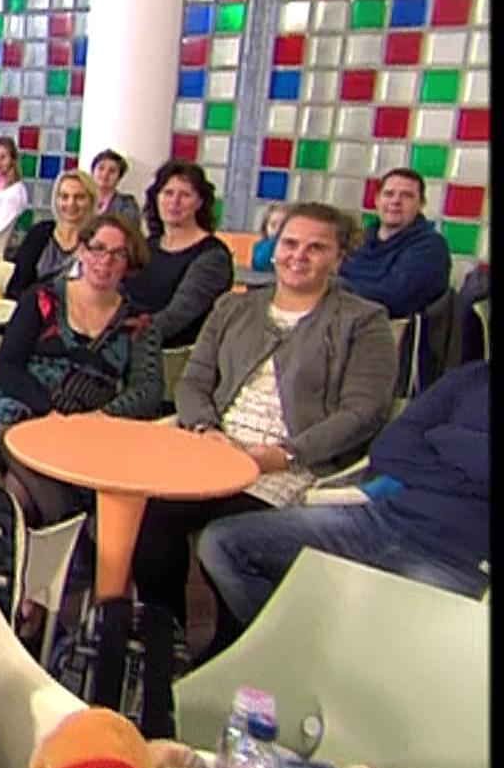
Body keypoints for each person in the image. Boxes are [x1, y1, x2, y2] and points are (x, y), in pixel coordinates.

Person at [135, 203, 398, 642]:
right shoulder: (233, 307)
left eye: (316, 248)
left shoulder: (364, 322)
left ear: (338, 258)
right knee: (149, 528)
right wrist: (204, 430)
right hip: (213, 452)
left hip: (290, 466)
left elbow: (363, 411)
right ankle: (166, 640)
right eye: (290, 243)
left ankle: (230, 652)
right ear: (274, 249)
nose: (299, 256)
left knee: (229, 541)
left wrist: (285, 454)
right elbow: (194, 381)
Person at [196, 359, 490, 659]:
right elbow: (390, 448)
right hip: (380, 520)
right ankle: (296, 654)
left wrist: (444, 442)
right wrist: (467, 470)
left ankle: (320, 665)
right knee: (222, 545)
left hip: (459, 559)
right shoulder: (473, 376)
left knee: (402, 643)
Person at [0, 214, 162, 525]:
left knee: (17, 490)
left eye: (118, 254)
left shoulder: (140, 323)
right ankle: (75, 525)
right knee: (9, 431)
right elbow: (9, 366)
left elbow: (148, 390)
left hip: (90, 426)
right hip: (25, 409)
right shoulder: (42, 298)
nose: (105, 261)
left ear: (129, 263)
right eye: (97, 249)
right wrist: (49, 412)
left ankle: (47, 540)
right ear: (81, 251)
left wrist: (101, 417)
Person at [121, 160, 234, 348]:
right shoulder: (146, 246)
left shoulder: (212, 257)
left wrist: (122, 335)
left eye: (185, 195)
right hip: (126, 344)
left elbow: (175, 317)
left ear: (199, 202)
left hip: (172, 354)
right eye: (168, 193)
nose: (174, 202)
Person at [337, 167, 453, 320]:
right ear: (377, 200)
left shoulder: (431, 247)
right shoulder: (360, 239)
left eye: (407, 196)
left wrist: (334, 289)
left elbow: (394, 299)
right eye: (389, 194)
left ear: (421, 204)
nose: (396, 201)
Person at [0, 169, 98, 302]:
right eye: (64, 197)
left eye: (79, 197)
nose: (71, 203)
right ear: (56, 200)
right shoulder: (39, 233)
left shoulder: (98, 240)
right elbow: (16, 287)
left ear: (91, 201)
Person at [90, 150, 140, 222]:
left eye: (112, 171)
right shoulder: (81, 199)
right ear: (92, 172)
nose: (105, 174)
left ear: (119, 178)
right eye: (101, 168)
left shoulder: (127, 204)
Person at [251, 202, 287, 273]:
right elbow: (261, 263)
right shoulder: (260, 246)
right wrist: (271, 243)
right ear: (265, 227)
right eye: (273, 225)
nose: (278, 230)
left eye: (283, 225)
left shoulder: (291, 250)